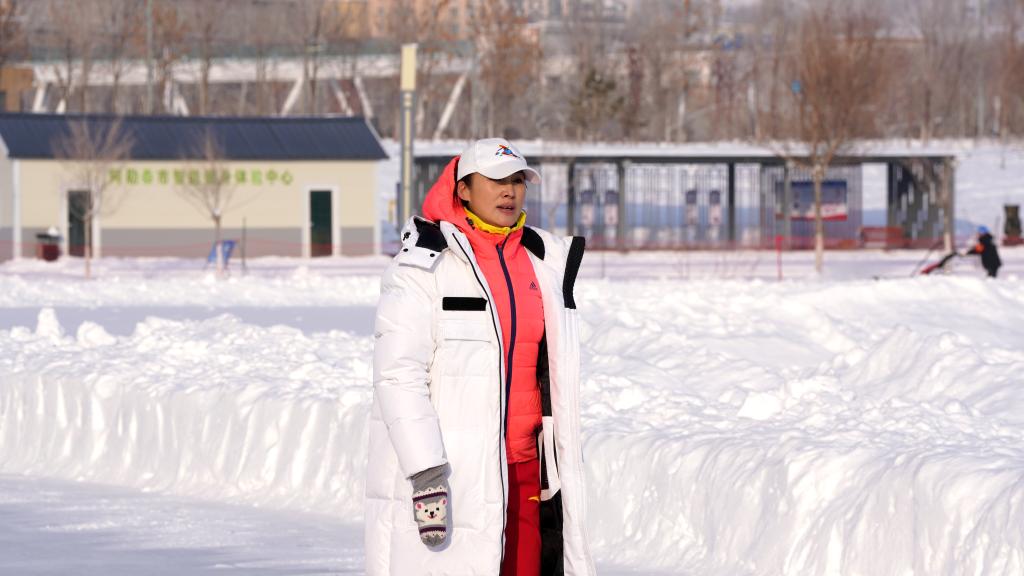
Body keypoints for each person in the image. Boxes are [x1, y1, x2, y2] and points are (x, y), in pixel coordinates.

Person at [366, 138, 595, 576]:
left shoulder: (543, 263)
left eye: (518, 180)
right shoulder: (424, 266)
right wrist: (426, 471)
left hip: (525, 469)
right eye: (495, 180)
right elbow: (398, 376)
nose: (509, 191)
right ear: (463, 189)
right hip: (455, 472)